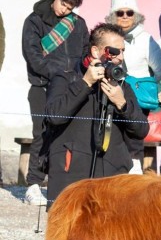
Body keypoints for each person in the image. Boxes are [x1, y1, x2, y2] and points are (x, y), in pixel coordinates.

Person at [42, 23, 147, 203]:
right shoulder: (66, 78)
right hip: (71, 179)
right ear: (96, 51)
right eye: (115, 51)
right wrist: (85, 84)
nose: (121, 57)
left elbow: (141, 131)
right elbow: (54, 117)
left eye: (123, 51)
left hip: (112, 180)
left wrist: (121, 103)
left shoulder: (122, 86)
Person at [22, 0, 88, 206]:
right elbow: (32, 55)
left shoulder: (78, 25)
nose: (64, 10)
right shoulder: (35, 20)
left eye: (70, 8)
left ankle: (61, 183)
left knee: (68, 134)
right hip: (43, 84)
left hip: (71, 86)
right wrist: (57, 74)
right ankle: (33, 185)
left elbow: (85, 52)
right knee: (41, 132)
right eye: (63, 4)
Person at [107, 0, 161, 173]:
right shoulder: (107, 36)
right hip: (110, 94)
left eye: (129, 12)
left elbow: (160, 70)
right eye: (120, 13)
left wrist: (141, 85)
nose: (125, 17)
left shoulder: (146, 39)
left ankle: (135, 178)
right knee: (113, 138)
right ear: (112, 15)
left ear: (136, 15)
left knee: (134, 141)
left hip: (136, 101)